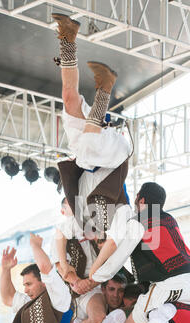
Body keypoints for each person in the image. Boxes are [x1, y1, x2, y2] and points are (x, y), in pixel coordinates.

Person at [51, 13, 133, 295]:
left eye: (95, 243)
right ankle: (105, 88)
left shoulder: (80, 223)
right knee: (86, 151)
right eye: (101, 243)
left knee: (69, 98)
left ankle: (67, 39)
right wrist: (94, 276)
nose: (98, 240)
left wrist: (66, 268)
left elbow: (59, 234)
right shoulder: (123, 216)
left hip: (89, 146)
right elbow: (112, 245)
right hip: (114, 155)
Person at [88, 181, 190, 323]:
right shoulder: (170, 219)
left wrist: (94, 277)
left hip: (169, 285)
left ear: (141, 199)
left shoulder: (139, 221)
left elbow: (118, 256)